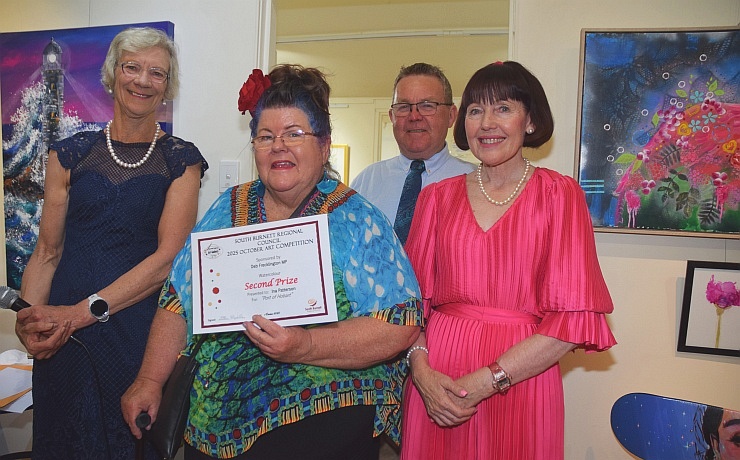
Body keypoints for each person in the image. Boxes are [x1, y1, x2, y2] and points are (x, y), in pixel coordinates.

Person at [121, 64, 424, 460]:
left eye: (294, 133)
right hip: (216, 423)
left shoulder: (356, 219)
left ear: (324, 146)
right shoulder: (227, 209)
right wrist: (148, 379)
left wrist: (306, 345)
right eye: (266, 136)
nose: (278, 146)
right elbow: (179, 297)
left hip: (323, 428)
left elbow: (399, 322)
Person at [400, 61, 617, 460]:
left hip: (521, 383)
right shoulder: (435, 198)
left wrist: (488, 381)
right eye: (475, 110)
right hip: (438, 389)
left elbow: (571, 323)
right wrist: (423, 375)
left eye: (503, 108)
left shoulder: (560, 195)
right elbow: (408, 309)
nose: (487, 123)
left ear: (530, 120)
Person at [14, 27, 208, 460]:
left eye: (157, 73)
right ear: (112, 74)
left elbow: (168, 260)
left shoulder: (181, 160)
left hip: (135, 337)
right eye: (132, 67)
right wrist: (30, 319)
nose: (142, 80)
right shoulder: (69, 153)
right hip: (64, 342)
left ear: (167, 86)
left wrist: (79, 314)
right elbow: (46, 253)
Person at [350, 63, 474, 243]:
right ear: (392, 116)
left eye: (427, 106)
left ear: (451, 115)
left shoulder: (474, 181)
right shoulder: (365, 183)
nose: (414, 116)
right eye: (403, 107)